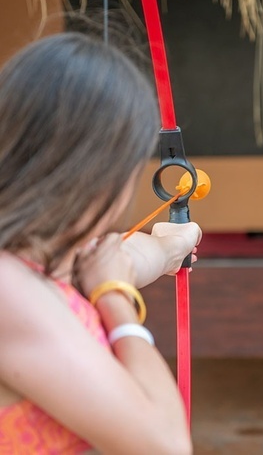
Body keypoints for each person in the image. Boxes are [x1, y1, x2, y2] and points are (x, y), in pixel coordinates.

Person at [0, 32, 202, 454]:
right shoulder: (9, 288)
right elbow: (165, 447)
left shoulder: (39, 260)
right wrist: (116, 299)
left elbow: (120, 259)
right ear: (96, 171)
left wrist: (171, 244)